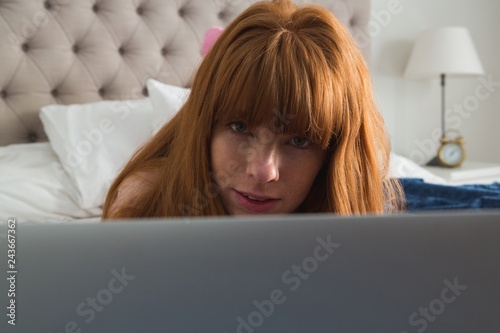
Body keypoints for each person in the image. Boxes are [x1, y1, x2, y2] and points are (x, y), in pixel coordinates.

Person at [102, 0, 403, 219]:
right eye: (240, 128)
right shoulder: (146, 203)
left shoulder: (354, 219)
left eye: (299, 141)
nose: (262, 171)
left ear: (331, 155)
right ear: (203, 126)